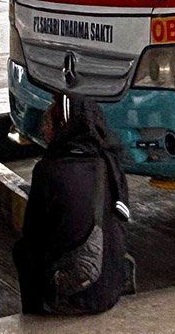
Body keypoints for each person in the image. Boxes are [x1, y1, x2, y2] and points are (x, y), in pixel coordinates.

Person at [14, 94, 134, 315]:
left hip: (76, 292)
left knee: (23, 250)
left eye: (48, 125)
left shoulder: (49, 169)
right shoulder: (110, 161)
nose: (45, 131)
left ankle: (37, 311)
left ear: (61, 128)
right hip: (109, 288)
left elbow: (33, 234)